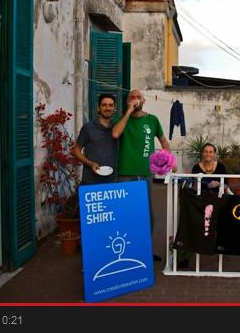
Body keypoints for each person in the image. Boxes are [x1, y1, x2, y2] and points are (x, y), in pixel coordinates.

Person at [112, 89, 170, 261]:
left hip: (145, 174)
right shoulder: (121, 119)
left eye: (138, 97)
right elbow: (115, 134)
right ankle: (125, 251)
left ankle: (144, 249)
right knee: (125, 212)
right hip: (124, 173)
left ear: (144, 100)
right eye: (132, 97)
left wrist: (167, 159)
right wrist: (128, 112)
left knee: (146, 213)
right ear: (127, 101)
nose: (135, 100)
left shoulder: (152, 120)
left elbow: (163, 141)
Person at [72, 94, 118, 185]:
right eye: (104, 105)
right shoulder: (88, 127)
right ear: (98, 108)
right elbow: (76, 150)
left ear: (114, 108)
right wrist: (90, 163)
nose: (107, 108)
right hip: (91, 180)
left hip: (112, 180)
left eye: (110, 105)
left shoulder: (117, 128)